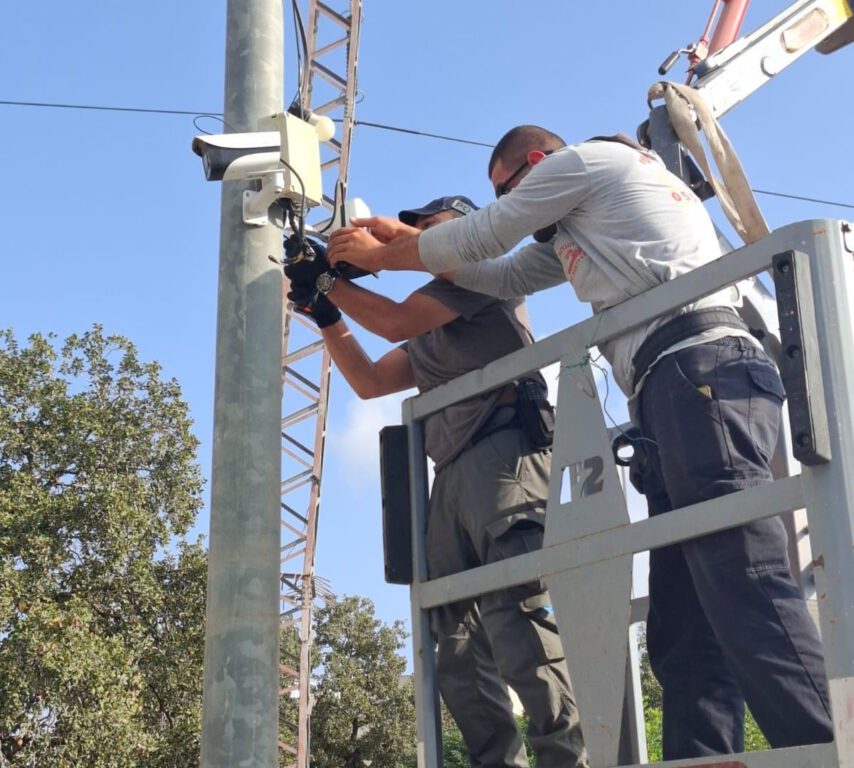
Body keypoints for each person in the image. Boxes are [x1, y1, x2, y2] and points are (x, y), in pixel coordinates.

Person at [326, 127, 834, 760]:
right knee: (684, 629)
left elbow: (484, 238)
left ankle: (828, 746)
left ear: (538, 164)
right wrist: (391, 245)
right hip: (670, 386)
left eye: (507, 190)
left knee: (745, 581)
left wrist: (375, 259)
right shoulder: (579, 229)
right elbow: (503, 271)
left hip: (696, 368)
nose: (508, 204)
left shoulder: (585, 163)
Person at [285, 195, 588, 768]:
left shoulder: (484, 277)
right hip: (449, 471)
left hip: (503, 454)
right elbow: (371, 381)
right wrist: (325, 310)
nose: (416, 232)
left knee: (517, 618)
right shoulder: (431, 327)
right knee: (455, 641)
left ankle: (566, 760)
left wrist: (328, 280)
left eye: (430, 225)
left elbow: (394, 321)